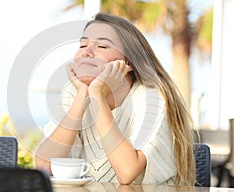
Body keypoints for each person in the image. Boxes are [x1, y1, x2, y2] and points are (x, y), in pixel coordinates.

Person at [35, 12, 196, 186]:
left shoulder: (152, 98)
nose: (86, 52)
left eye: (102, 46)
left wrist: (98, 95)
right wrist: (83, 95)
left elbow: (127, 173)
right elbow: (44, 165)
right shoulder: (74, 93)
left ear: (129, 62)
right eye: (82, 45)